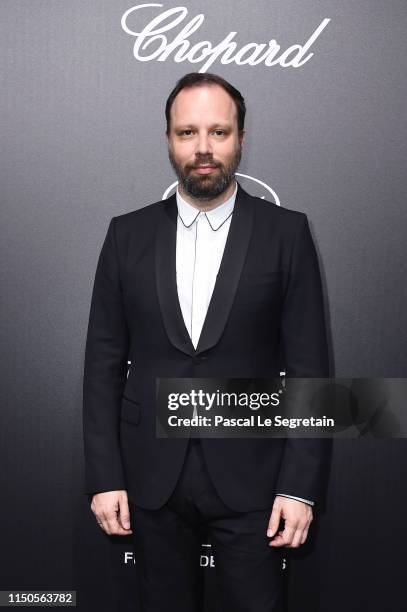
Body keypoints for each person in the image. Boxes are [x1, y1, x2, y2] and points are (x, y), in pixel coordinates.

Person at [83, 72, 331, 611]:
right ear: (169, 139)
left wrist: (298, 486)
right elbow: (102, 365)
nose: (203, 148)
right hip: (150, 480)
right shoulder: (126, 235)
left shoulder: (286, 233)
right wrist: (105, 477)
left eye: (218, 132)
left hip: (255, 482)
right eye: (187, 132)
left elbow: (312, 371)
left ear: (241, 138)